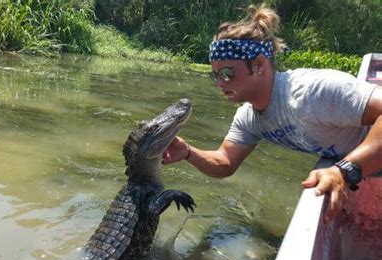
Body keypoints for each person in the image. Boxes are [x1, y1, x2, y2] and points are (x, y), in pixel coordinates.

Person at [162, 5, 382, 224]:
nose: (219, 83)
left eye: (227, 73)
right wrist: (188, 152)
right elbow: (225, 162)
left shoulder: (314, 91)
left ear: (259, 64)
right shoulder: (248, 119)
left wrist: (344, 170)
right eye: (216, 75)